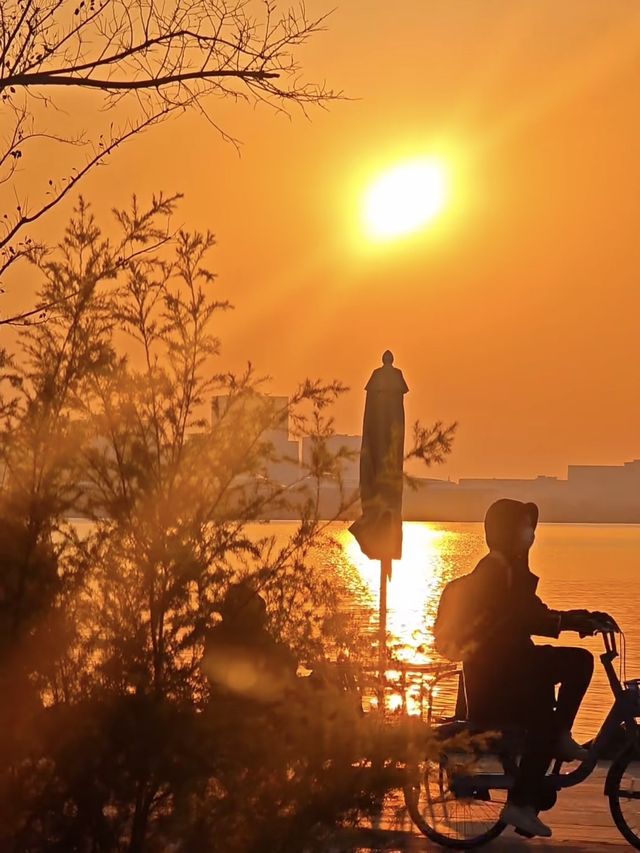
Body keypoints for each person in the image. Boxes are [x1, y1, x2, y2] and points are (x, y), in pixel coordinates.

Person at [461, 498, 616, 839]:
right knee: (553, 706)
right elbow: (522, 617)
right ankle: (521, 803)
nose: (529, 534)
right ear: (505, 532)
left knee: (577, 663)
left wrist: (582, 617)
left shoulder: (509, 569)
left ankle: (557, 740)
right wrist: (569, 622)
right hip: (497, 680)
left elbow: (536, 611)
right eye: (522, 527)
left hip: (515, 669)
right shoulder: (493, 572)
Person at [203, 579, 298, 705]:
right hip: (232, 710)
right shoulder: (217, 639)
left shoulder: (265, 640)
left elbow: (288, 667)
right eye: (250, 601)